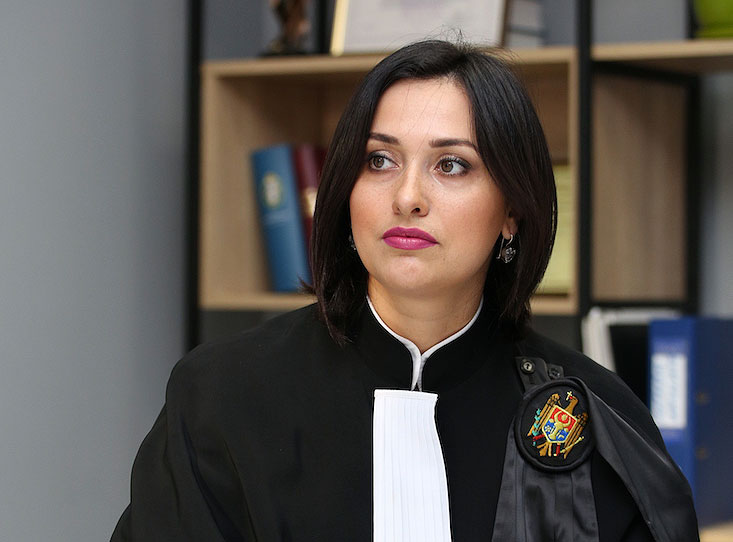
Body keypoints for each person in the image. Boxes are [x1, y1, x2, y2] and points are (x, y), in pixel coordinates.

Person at [112, 40, 698, 541]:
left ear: (512, 212)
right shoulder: (221, 397)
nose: (408, 197)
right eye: (380, 160)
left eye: (452, 165)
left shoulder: (593, 416)